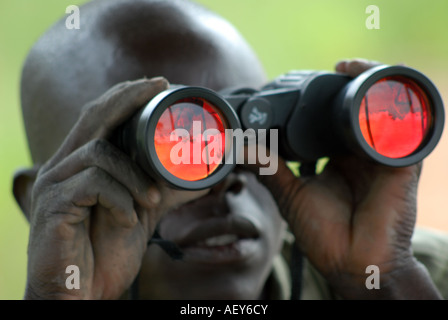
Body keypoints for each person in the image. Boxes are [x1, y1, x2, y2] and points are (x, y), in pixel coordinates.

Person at [12, 0, 448, 300]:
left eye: (245, 136)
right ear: (41, 203)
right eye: (176, 142)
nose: (226, 177)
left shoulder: (429, 275)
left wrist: (383, 280)